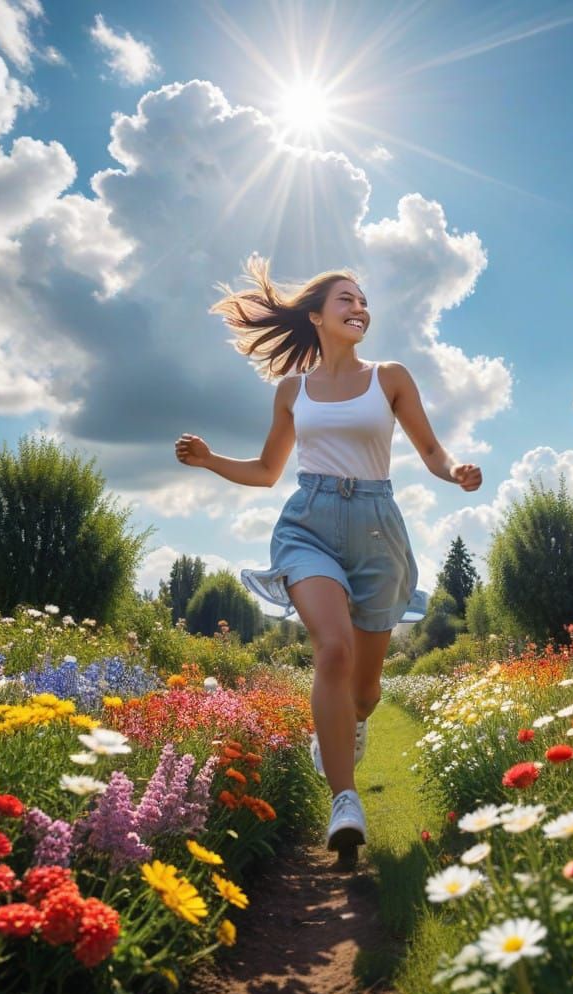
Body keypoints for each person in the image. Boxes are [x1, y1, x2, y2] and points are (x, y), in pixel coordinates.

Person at [174, 255, 482, 867]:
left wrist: (456, 472)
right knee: (333, 650)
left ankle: (350, 722)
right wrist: (210, 460)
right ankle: (345, 800)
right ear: (316, 316)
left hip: (377, 528)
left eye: (364, 301)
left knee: (364, 690)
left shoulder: (389, 377)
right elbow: (267, 471)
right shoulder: (293, 391)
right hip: (308, 525)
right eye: (347, 299)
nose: (359, 308)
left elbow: (430, 449)